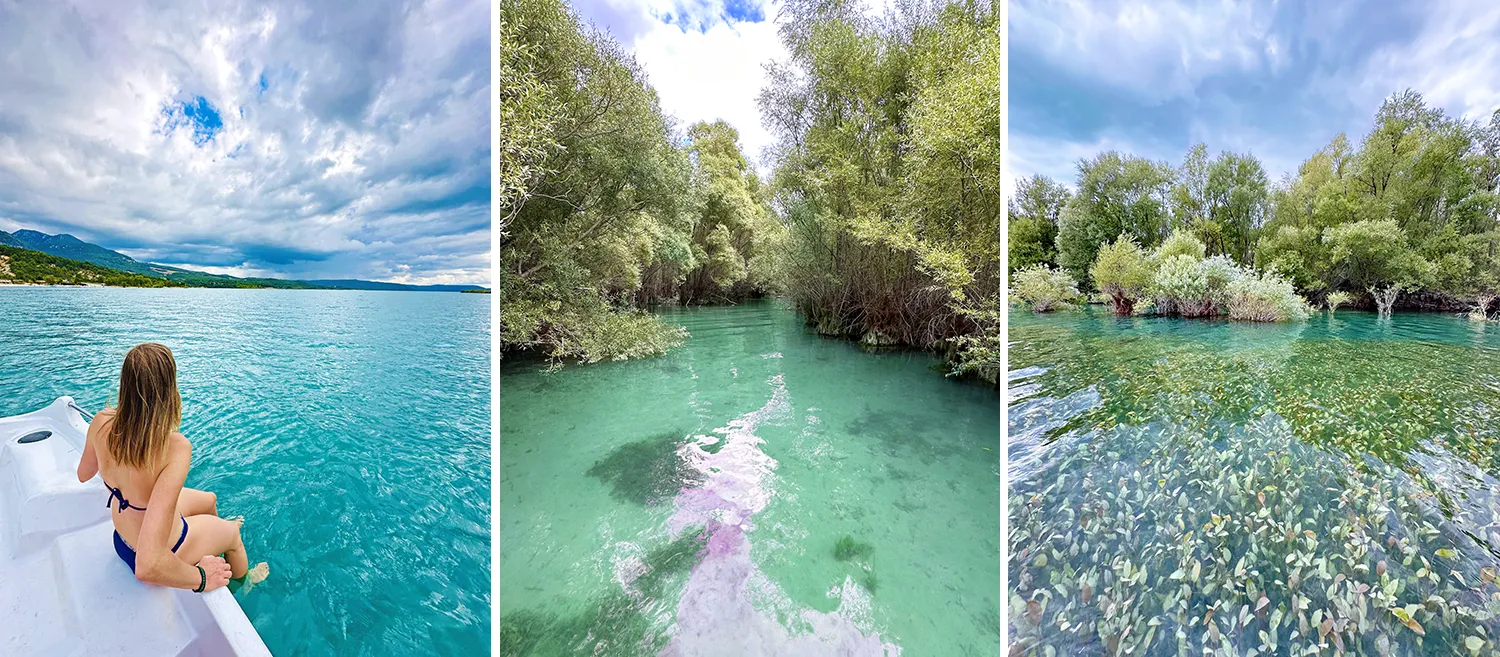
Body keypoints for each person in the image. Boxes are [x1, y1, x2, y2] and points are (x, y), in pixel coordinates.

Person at [75, 342, 262, 593]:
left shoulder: (101, 420)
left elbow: (83, 474)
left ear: (125, 384)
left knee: (209, 500)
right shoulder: (174, 447)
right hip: (163, 551)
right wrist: (202, 578)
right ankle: (245, 581)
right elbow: (147, 567)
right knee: (233, 535)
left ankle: (209, 540)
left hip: (121, 541)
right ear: (169, 390)